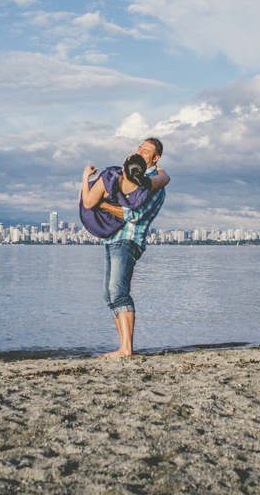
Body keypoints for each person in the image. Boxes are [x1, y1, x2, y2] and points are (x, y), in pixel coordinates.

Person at [93, 138, 169, 357]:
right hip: (113, 238)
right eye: (139, 148)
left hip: (129, 239)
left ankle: (126, 349)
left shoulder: (154, 182)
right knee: (109, 295)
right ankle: (123, 346)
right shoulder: (131, 176)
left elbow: (134, 215)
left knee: (119, 291)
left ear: (155, 159)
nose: (139, 152)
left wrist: (104, 204)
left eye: (146, 151)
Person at [79, 153, 156, 238]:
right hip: (112, 227)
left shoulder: (109, 181)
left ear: (123, 168)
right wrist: (156, 167)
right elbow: (164, 179)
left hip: (95, 222)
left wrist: (85, 175)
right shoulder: (144, 187)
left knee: (85, 191)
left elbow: (87, 204)